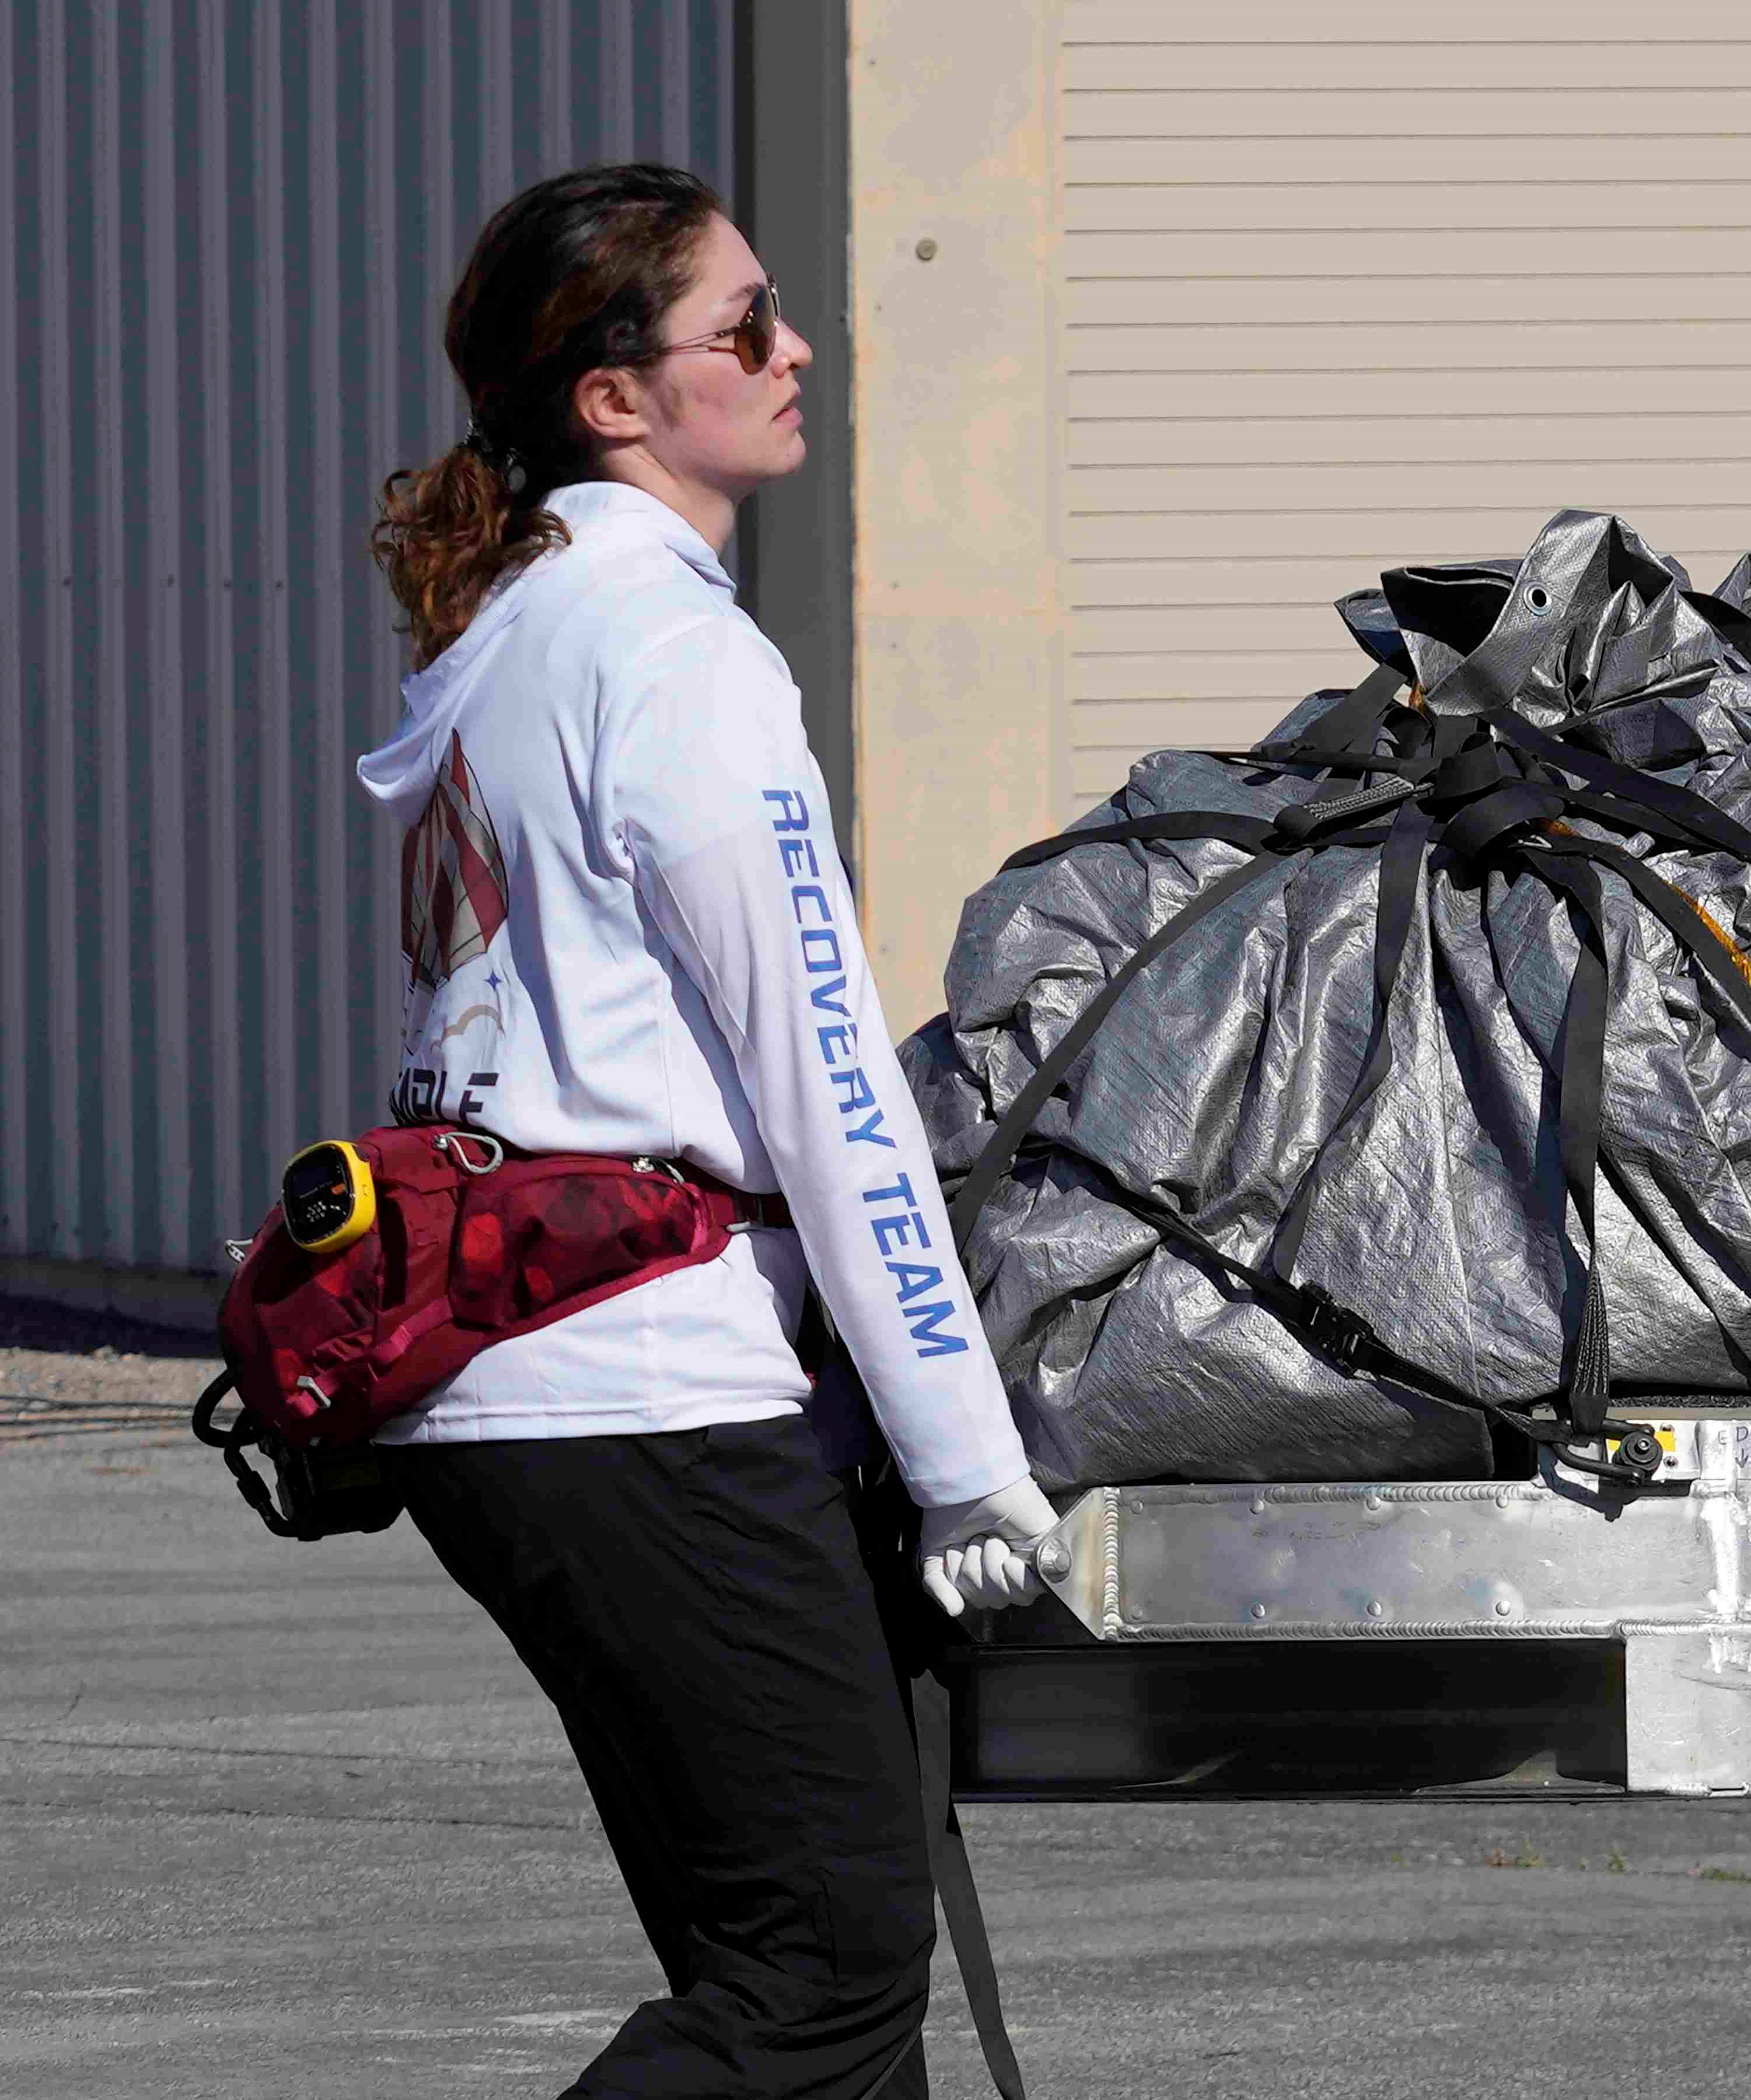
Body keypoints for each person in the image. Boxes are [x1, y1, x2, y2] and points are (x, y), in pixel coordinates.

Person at [361, 163, 1053, 2098]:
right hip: (642, 1394)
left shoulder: (510, 636)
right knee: (822, 1980)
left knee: (809, 1987)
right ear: (616, 397)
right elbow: (828, 1084)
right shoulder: (679, 659)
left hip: (517, 1389)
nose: (794, 348)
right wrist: (962, 1452)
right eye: (744, 326)